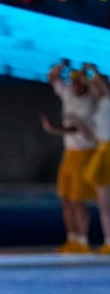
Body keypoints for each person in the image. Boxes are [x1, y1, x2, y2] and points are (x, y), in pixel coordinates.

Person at [44, 59, 97, 253]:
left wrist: (53, 128)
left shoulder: (89, 101)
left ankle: (82, 240)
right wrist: (61, 65)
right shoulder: (68, 94)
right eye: (72, 82)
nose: (74, 86)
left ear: (84, 84)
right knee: (66, 197)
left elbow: (74, 128)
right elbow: (52, 78)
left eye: (78, 83)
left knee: (78, 198)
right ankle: (72, 238)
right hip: (71, 153)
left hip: (85, 153)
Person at [80, 63, 110, 253]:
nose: (92, 89)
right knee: (103, 204)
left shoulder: (108, 100)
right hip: (101, 151)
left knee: (106, 202)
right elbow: (92, 135)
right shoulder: (99, 106)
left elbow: (104, 88)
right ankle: (108, 240)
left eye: (95, 86)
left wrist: (93, 70)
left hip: (107, 151)